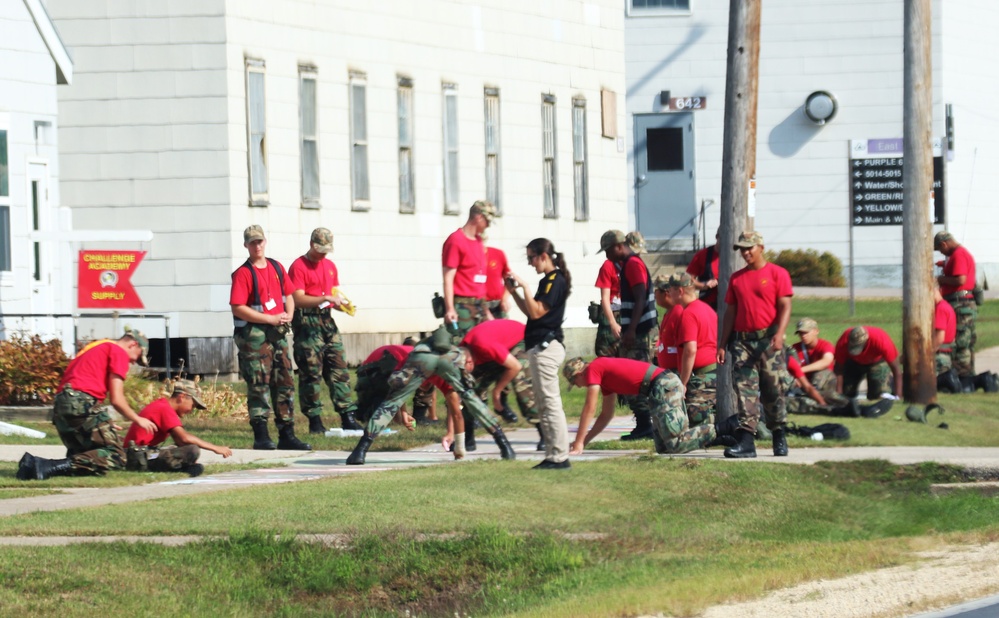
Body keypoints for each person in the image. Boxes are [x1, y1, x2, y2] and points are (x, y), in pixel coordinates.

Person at [346, 326, 515, 465]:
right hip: (448, 359)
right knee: (472, 398)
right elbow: (456, 412)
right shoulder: (451, 362)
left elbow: (397, 396)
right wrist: (459, 448)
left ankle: (359, 452)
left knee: (391, 402)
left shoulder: (419, 353)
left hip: (421, 357)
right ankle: (505, 446)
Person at [16, 328, 158, 481]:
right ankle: (45, 466)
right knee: (116, 455)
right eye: (136, 358)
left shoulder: (96, 348)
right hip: (80, 402)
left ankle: (30, 466)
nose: (132, 362)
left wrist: (103, 421)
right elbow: (117, 399)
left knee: (91, 454)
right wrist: (138, 419)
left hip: (62, 406)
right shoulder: (118, 352)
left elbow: (81, 383)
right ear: (133, 344)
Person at [230, 225, 311, 452]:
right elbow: (238, 307)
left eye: (260, 241)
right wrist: (269, 318)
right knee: (259, 383)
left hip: (278, 334)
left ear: (265, 242)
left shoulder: (276, 267)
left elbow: (290, 293)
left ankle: (287, 434)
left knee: (285, 381)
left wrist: (290, 314)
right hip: (254, 336)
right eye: (252, 242)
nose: (257, 246)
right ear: (246, 245)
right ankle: (261, 435)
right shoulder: (243, 273)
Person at [717, 231, 793, 459]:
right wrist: (722, 344)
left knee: (773, 390)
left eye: (749, 248)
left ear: (761, 247)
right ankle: (747, 441)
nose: (745, 252)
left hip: (769, 342)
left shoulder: (777, 273)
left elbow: (785, 307)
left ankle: (778, 434)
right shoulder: (737, 278)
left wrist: (780, 333)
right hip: (742, 343)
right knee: (744, 392)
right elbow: (730, 311)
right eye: (742, 249)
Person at [563, 357, 731, 455]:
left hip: (663, 385)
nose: (578, 386)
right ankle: (724, 438)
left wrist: (578, 443)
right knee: (663, 448)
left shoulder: (593, 368)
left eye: (575, 382)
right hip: (657, 388)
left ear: (579, 374)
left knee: (675, 443)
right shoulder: (602, 376)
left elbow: (589, 408)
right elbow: (606, 414)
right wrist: (583, 441)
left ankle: (727, 427)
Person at [288, 227, 362, 435]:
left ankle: (347, 415)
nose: (324, 254)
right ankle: (314, 419)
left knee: (339, 368)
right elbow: (298, 298)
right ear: (312, 245)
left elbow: (333, 294)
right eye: (321, 249)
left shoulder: (329, 266)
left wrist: (342, 305)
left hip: (327, 322)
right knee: (311, 372)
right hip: (306, 324)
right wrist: (324, 299)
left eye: (327, 250)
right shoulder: (299, 266)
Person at [506, 238, 571, 470]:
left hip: (547, 347)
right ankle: (553, 454)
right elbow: (531, 311)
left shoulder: (555, 280)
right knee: (543, 403)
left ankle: (560, 456)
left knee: (550, 403)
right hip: (538, 346)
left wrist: (525, 287)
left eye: (531, 258)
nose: (530, 263)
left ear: (544, 256)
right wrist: (514, 293)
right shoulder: (547, 280)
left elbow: (537, 313)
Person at [600, 229, 658, 441]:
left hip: (641, 332)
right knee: (631, 377)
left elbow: (640, 297)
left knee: (634, 377)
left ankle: (645, 425)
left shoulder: (633, 265)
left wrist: (632, 329)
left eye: (607, 251)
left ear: (618, 246)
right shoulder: (628, 265)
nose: (607, 256)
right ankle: (643, 423)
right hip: (637, 330)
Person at [122, 379, 233, 476]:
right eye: (192, 405)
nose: (191, 410)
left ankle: (180, 468)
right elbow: (184, 438)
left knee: (189, 451)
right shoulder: (164, 409)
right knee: (192, 450)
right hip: (136, 456)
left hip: (142, 454)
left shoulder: (163, 406)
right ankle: (179, 469)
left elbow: (179, 441)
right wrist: (216, 448)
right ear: (182, 397)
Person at [461, 318, 542, 449]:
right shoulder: (460, 351)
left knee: (521, 383)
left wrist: (496, 392)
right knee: (469, 390)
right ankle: (468, 438)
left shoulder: (484, 345)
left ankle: (543, 433)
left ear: (470, 362)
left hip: (521, 340)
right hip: (498, 345)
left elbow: (514, 366)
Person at [442, 201, 496, 340]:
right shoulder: (456, 241)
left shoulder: (478, 241)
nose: (488, 226)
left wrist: (486, 311)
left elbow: (479, 280)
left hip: (480, 305)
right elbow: (448, 278)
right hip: (463, 306)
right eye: (487, 222)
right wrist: (450, 309)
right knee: (463, 348)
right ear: (479, 218)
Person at [673, 272, 718, 427]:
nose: (668, 294)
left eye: (670, 290)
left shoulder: (689, 314)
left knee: (691, 420)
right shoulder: (707, 309)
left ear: (679, 291)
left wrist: (683, 382)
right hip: (714, 373)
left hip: (703, 377)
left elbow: (690, 350)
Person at [934, 231, 977, 381]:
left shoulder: (958, 255)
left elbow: (960, 280)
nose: (941, 252)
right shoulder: (960, 254)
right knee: (967, 340)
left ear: (944, 244)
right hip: (965, 302)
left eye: (940, 249)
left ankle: (963, 376)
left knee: (960, 342)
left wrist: (942, 279)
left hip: (960, 303)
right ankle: (968, 375)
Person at [833, 326, 901, 418]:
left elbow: (896, 369)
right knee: (847, 395)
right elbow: (838, 369)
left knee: (878, 396)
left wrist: (898, 396)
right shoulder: (843, 341)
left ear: (867, 341)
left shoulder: (881, 340)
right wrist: (839, 394)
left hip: (877, 362)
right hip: (853, 363)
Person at [790, 318, 837, 395]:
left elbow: (826, 361)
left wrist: (800, 370)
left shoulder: (825, 345)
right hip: (804, 382)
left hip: (824, 382)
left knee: (822, 373)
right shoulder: (794, 348)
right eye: (800, 333)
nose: (803, 336)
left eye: (806, 332)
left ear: (816, 331)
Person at [593, 252, 622, 358]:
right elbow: (605, 298)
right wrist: (612, 323)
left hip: (628, 313)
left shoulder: (633, 265)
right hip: (612, 311)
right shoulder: (608, 265)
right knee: (605, 353)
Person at [933, 287, 962, 393]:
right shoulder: (947, 306)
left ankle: (946, 380)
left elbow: (939, 338)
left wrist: (925, 354)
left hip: (939, 357)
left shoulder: (940, 308)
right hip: (945, 355)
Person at [655, 273, 682, 373]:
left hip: (677, 372)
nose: (655, 294)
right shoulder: (669, 312)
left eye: (656, 291)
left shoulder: (678, 312)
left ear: (665, 293)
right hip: (668, 371)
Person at [686, 230, 720, 309]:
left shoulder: (737, 256)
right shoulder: (702, 255)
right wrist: (704, 285)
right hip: (708, 305)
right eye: (723, 237)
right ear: (717, 236)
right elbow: (687, 280)